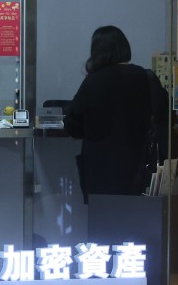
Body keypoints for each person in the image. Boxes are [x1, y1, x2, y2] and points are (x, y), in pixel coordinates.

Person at [65, 25, 171, 201]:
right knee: (140, 215)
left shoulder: (94, 81)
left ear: (97, 52)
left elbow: (72, 124)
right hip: (141, 165)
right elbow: (166, 114)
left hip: (101, 169)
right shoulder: (146, 77)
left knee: (104, 215)